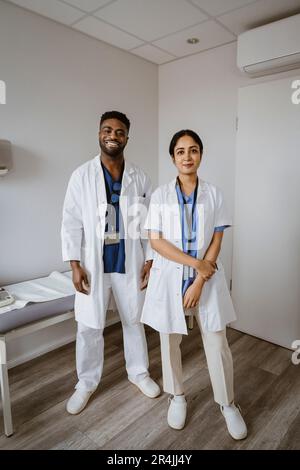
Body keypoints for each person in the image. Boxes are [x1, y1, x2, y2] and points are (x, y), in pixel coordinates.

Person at [141, 129, 247, 440]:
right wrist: (195, 264)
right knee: (169, 340)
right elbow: (156, 241)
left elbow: (217, 236)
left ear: (201, 154)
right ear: (172, 157)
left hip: (206, 280)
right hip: (170, 278)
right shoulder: (160, 195)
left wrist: (200, 278)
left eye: (193, 150)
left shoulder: (214, 193)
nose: (187, 157)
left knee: (217, 342)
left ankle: (227, 404)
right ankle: (177, 396)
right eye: (181, 151)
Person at [61, 111, 160, 414]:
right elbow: (70, 221)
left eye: (119, 132)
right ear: (99, 134)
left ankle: (139, 372)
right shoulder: (82, 175)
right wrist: (74, 263)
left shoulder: (140, 177)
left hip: (128, 261)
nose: (113, 136)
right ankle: (86, 383)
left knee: (133, 319)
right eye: (107, 130)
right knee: (89, 325)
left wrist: (151, 259)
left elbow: (149, 223)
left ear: (127, 137)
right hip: (94, 263)